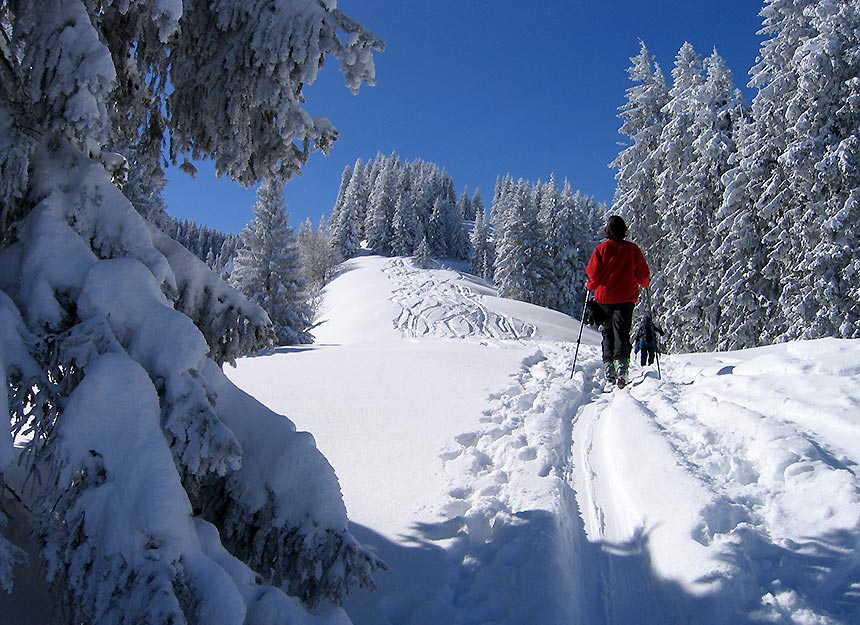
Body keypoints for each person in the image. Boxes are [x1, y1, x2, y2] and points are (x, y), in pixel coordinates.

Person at [585, 215, 650, 388]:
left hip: (604, 298)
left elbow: (593, 274)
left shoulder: (601, 249)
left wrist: (590, 285)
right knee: (621, 331)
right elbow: (643, 275)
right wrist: (644, 283)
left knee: (608, 332)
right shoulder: (632, 249)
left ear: (608, 231)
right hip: (625, 298)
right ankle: (622, 366)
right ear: (624, 230)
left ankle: (609, 367)